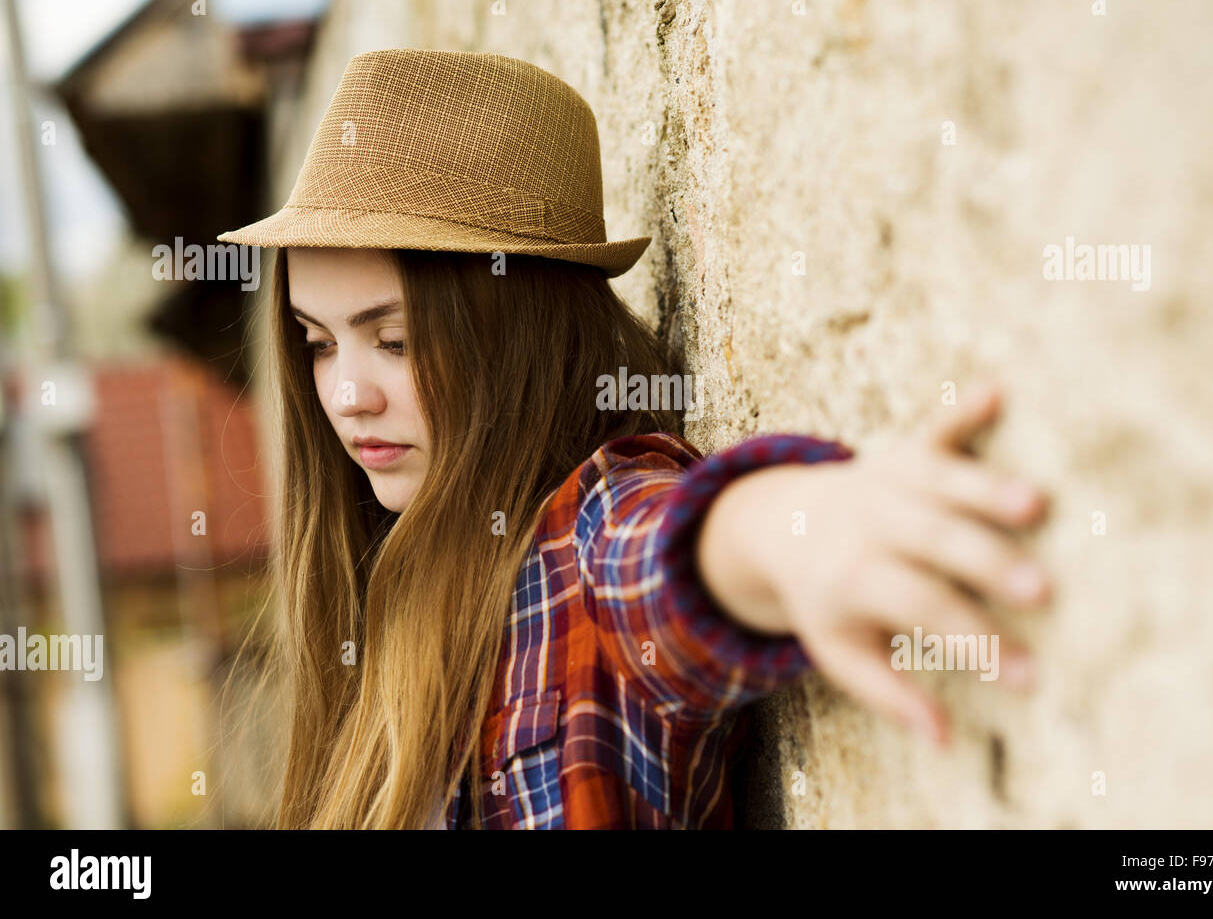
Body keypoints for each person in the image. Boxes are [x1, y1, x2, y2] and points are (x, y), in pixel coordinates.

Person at [217, 48, 1052, 830]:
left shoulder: (579, 545)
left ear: (518, 333)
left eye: (393, 341)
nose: (346, 395)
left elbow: (669, 549)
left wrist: (812, 526)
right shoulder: (376, 592)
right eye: (318, 343)